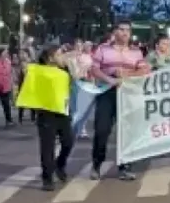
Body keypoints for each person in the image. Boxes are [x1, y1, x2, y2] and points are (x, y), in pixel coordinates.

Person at [90, 20, 151, 180]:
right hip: (107, 92)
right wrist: (109, 79)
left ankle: (125, 166)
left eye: (128, 31)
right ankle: (97, 163)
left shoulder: (136, 52)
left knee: (127, 131)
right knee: (102, 129)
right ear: (115, 32)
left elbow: (143, 70)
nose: (125, 33)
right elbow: (94, 69)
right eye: (122, 30)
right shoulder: (103, 49)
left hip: (128, 94)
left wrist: (127, 75)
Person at [30, 45, 75, 191]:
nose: (63, 56)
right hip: (46, 113)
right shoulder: (39, 71)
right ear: (50, 57)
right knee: (47, 147)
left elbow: (72, 83)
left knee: (68, 141)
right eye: (59, 54)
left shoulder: (64, 70)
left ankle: (59, 165)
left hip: (62, 111)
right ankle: (47, 178)